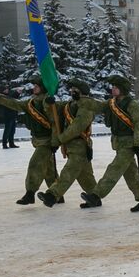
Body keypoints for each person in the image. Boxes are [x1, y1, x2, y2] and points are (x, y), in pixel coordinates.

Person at [81, 75, 139, 212]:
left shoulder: (132, 105)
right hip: (119, 144)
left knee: (114, 169)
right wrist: (82, 100)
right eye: (112, 87)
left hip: (129, 144)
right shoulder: (112, 103)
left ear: (123, 89)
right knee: (132, 174)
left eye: (116, 87)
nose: (112, 90)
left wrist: (137, 143)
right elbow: (98, 106)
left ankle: (96, 195)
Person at [0, 78, 60, 205]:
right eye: (34, 85)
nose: (34, 88)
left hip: (47, 142)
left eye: (37, 86)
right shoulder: (31, 102)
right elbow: (14, 104)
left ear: (43, 88)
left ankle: (30, 194)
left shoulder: (47, 101)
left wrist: (55, 142)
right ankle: (57, 194)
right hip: (38, 140)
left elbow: (55, 123)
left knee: (35, 164)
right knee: (49, 169)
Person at [38, 79, 99, 207]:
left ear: (81, 92)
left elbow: (77, 127)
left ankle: (52, 195)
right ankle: (95, 197)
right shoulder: (69, 104)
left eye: (74, 90)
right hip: (71, 145)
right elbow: (54, 109)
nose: (71, 92)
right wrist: (48, 102)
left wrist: (61, 139)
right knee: (84, 175)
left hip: (80, 145)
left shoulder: (87, 106)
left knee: (69, 171)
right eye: (71, 90)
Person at [0, 85, 20, 150]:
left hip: (13, 115)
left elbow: (13, 99)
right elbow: (10, 99)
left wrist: (18, 93)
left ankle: (11, 143)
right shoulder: (2, 97)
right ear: (3, 90)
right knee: (7, 130)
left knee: (12, 131)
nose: (7, 90)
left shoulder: (8, 95)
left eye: (7, 89)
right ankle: (4, 144)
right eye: (5, 89)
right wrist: (17, 93)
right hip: (8, 116)